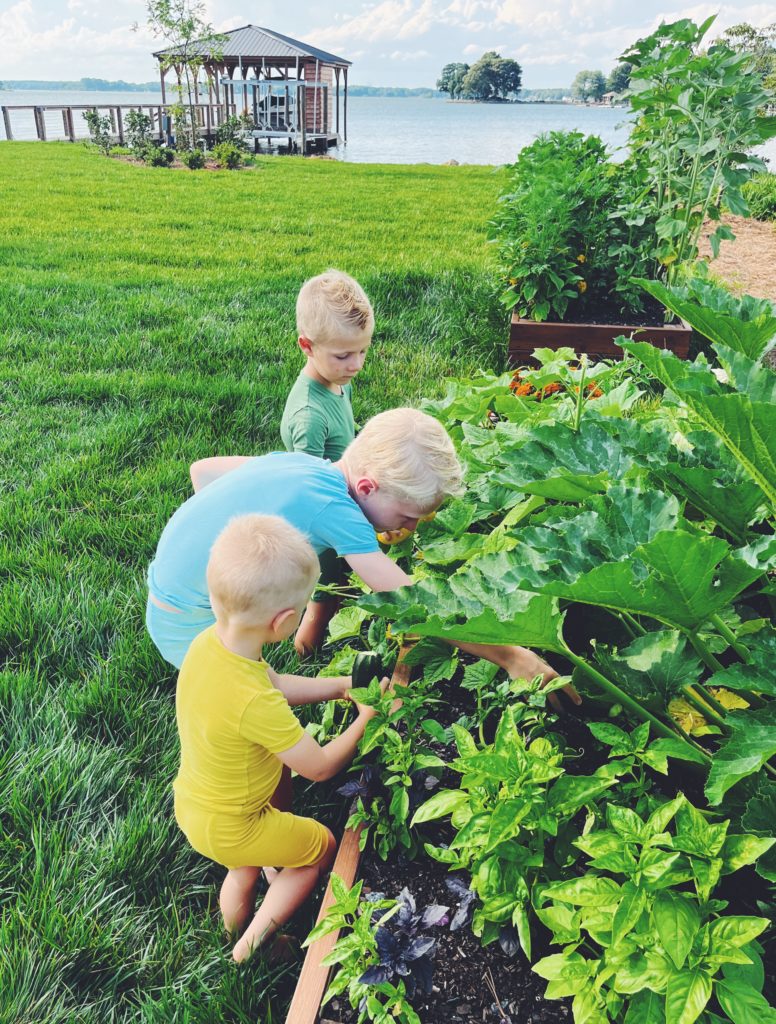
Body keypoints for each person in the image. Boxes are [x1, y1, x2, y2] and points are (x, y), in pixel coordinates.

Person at [146, 407, 577, 705]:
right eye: (408, 516)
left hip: (164, 590)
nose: (409, 529)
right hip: (188, 622)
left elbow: (201, 471)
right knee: (257, 697)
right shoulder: (341, 512)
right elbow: (412, 604)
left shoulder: (302, 465)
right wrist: (511, 655)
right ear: (368, 488)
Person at [173, 513, 388, 963]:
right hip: (239, 822)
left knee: (243, 866)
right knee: (318, 848)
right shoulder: (254, 701)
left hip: (197, 809)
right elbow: (321, 766)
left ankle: (233, 928)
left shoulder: (207, 647)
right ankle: (252, 948)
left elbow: (277, 684)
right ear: (285, 621)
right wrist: (368, 716)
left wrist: (341, 685)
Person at [280, 270, 374, 654]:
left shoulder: (336, 381)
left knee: (342, 586)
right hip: (322, 522)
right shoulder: (308, 415)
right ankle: (305, 653)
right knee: (325, 595)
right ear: (307, 346)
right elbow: (304, 487)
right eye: (344, 355)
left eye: (363, 351)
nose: (356, 365)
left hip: (341, 500)